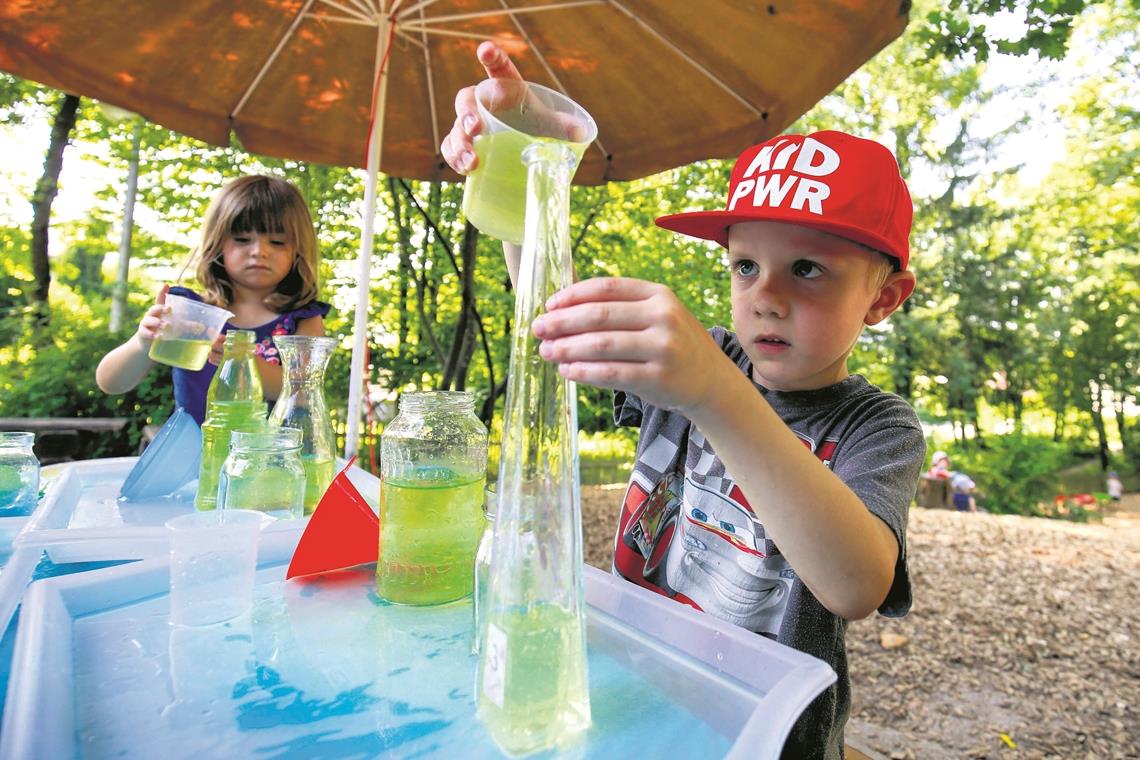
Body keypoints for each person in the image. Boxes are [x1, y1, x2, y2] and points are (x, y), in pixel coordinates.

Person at [443, 43, 925, 760]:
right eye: (745, 265)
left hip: (770, 738)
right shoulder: (703, 361)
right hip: (638, 695)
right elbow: (555, 315)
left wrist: (715, 394)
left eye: (807, 269)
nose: (766, 296)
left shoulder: (877, 428)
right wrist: (529, 167)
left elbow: (854, 584)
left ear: (882, 299)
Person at [96, 175, 330, 424]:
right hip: (191, 455)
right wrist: (143, 343)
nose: (259, 251)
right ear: (217, 242)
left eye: (277, 242)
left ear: (298, 250)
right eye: (242, 239)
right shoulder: (189, 312)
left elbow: (304, 394)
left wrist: (242, 361)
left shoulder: (303, 319)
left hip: (268, 458)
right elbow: (110, 383)